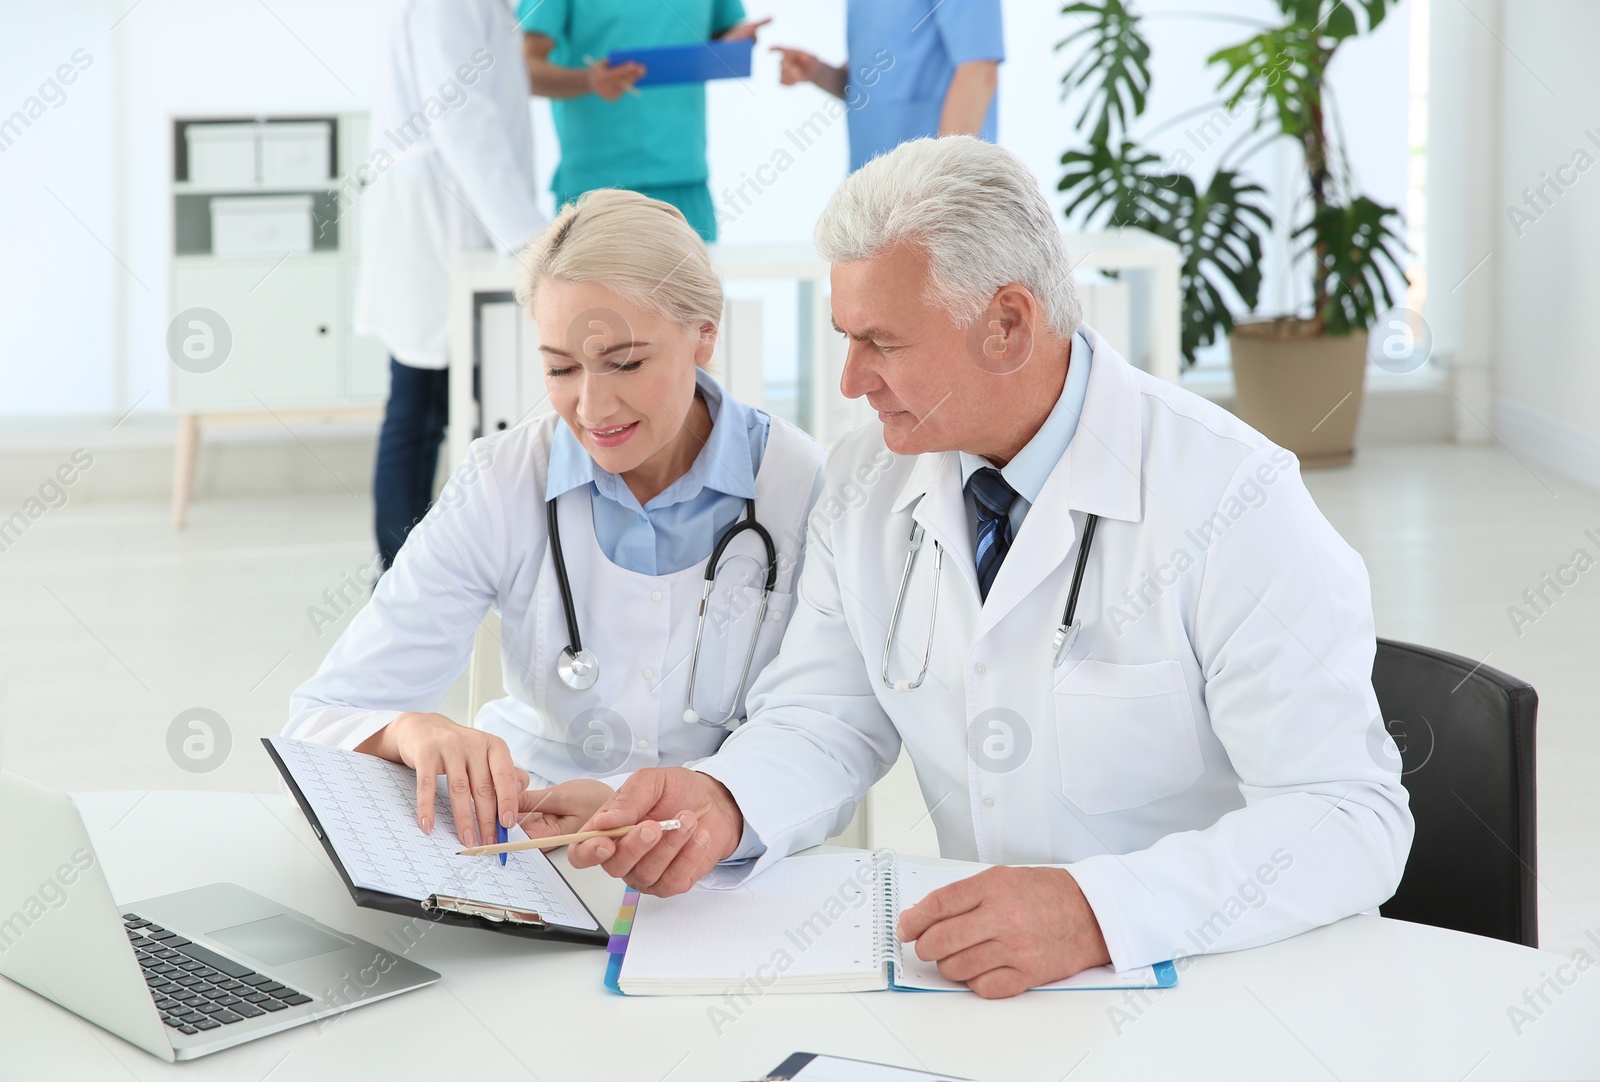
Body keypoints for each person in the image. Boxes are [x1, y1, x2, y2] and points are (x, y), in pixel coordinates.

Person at [558, 138, 1415, 999]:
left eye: (881, 343)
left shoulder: (1234, 497)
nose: (851, 380)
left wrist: (1095, 911)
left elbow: (1350, 819)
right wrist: (725, 800)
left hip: (1223, 989)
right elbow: (825, 715)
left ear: (1006, 324)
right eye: (844, 339)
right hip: (993, 999)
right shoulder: (867, 479)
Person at [288, 190, 827, 852]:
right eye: (560, 368)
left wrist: (722, 810)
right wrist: (407, 731)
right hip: (527, 849)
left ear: (706, 331)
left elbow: (824, 728)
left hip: (720, 861)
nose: (593, 406)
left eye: (626, 362)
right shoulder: (501, 480)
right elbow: (319, 718)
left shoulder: (802, 485)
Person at [356, 0, 549, 570]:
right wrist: (529, 238)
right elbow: (462, 116)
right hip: (438, 219)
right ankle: (400, 578)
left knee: (428, 401)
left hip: (452, 215)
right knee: (419, 403)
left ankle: (418, 575)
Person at [518, 0, 770, 241]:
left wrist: (733, 45)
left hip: (684, 179)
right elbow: (523, 69)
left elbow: (721, 35)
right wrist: (588, 80)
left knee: (691, 285)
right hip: (594, 191)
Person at [772, 0, 1003, 172]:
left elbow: (979, 72)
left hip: (930, 181)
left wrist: (946, 180)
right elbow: (869, 86)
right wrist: (819, 73)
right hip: (870, 182)